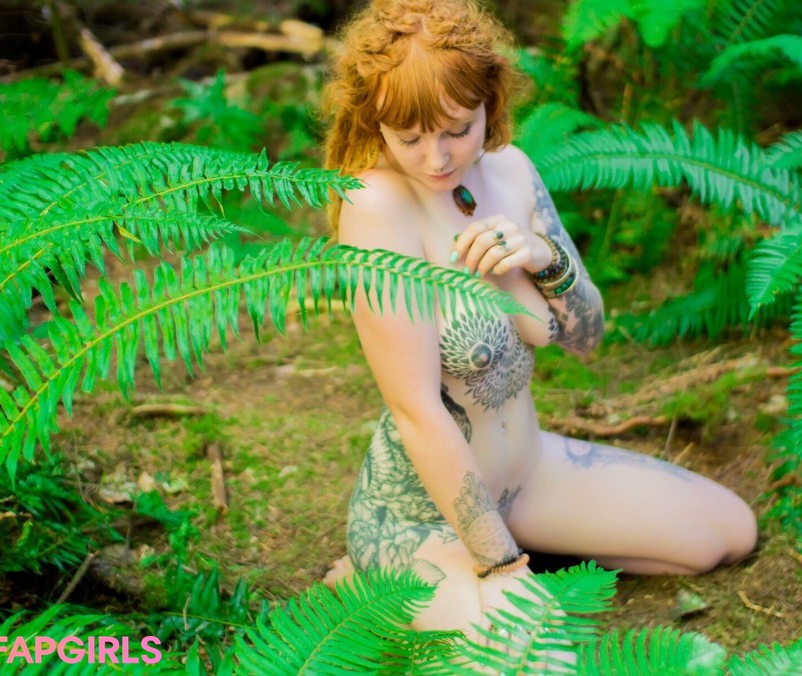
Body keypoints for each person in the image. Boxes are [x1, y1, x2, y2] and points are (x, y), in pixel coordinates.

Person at [319, 0, 757, 644]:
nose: (436, 158)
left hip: (528, 476)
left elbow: (586, 337)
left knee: (726, 532)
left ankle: (509, 562)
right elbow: (416, 411)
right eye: (408, 137)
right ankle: (371, 579)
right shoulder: (376, 205)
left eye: (457, 129)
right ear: (374, 119)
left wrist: (542, 257)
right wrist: (499, 565)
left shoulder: (512, 171)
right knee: (530, 642)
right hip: (421, 517)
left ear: (489, 102)